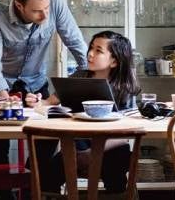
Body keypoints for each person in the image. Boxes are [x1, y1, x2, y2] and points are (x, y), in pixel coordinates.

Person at [0, 0, 88, 199]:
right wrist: (4, 97)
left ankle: (30, 191)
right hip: (1, 83)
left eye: (46, 8)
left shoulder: (54, 2)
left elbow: (78, 45)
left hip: (36, 82)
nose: (45, 14)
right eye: (37, 11)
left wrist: (77, 81)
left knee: (46, 142)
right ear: (19, 5)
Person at [26, 30, 142, 195]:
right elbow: (49, 102)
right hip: (77, 148)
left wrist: (93, 152)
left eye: (98, 51)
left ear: (114, 61)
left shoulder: (125, 87)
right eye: (91, 48)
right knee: (48, 176)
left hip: (111, 147)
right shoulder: (80, 75)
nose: (90, 54)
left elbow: (126, 132)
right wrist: (37, 101)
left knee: (115, 173)